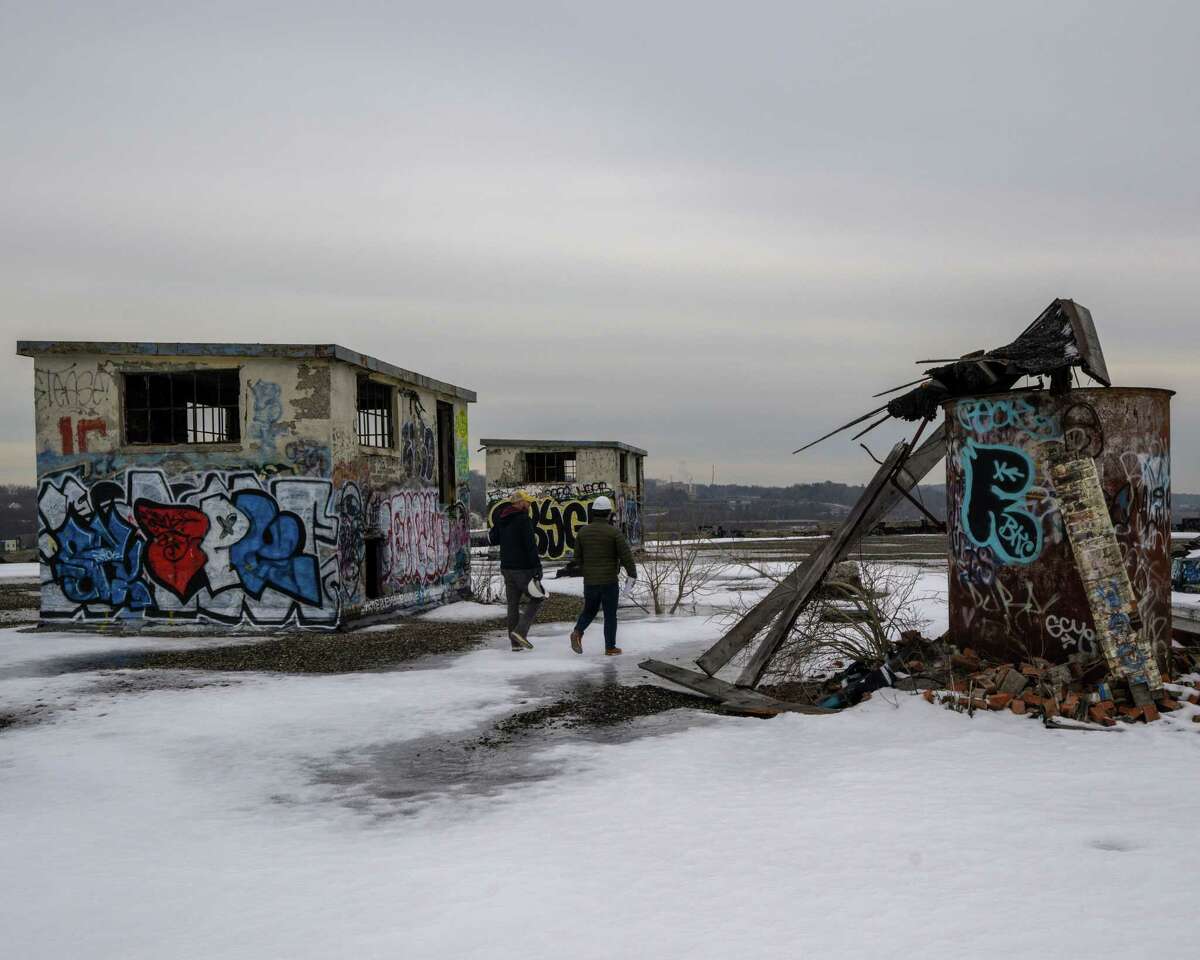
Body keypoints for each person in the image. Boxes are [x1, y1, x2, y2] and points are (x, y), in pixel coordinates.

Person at [570, 495, 637, 656]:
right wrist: (632, 574)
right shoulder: (614, 532)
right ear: (608, 513)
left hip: (590, 581)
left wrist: (587, 570)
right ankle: (610, 647)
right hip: (609, 581)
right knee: (610, 615)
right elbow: (626, 556)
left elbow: (577, 558)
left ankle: (577, 632)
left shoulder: (583, 532)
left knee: (589, 610)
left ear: (593, 512)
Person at [489, 490, 545, 651]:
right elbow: (530, 545)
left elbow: (493, 539)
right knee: (538, 598)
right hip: (523, 568)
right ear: (519, 503)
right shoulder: (523, 519)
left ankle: (515, 644)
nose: (529, 505)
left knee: (512, 605)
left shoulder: (502, 517)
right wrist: (537, 567)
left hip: (507, 568)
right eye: (527, 502)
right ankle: (520, 632)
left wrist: (498, 524)